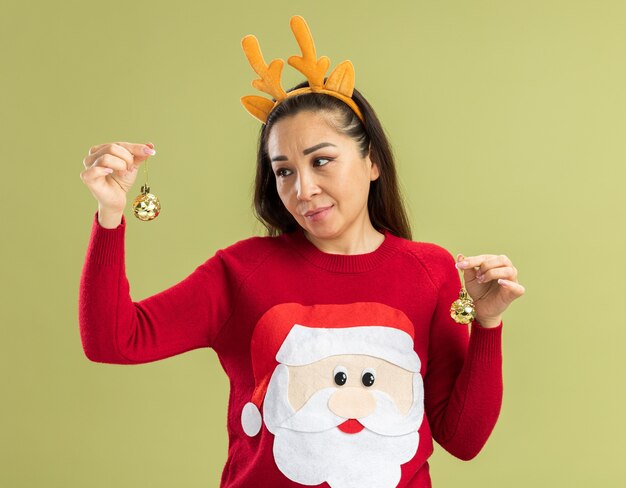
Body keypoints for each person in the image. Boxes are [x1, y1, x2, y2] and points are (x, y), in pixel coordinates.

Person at [78, 15, 524, 488]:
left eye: (321, 160)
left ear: (371, 161)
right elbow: (113, 341)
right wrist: (110, 215)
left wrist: (487, 324)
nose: (303, 188)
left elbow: (464, 440)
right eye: (284, 171)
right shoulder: (242, 270)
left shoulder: (430, 271)